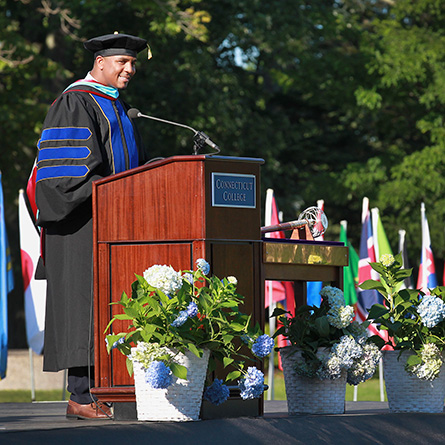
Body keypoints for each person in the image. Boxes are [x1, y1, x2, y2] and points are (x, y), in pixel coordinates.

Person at [34, 33, 150, 419]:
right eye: (122, 62)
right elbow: (64, 176)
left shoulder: (122, 110)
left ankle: (114, 389)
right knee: (84, 305)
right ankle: (80, 396)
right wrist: (110, 188)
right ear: (100, 63)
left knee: (113, 305)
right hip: (81, 222)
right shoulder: (76, 102)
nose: (130, 69)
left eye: (133, 63)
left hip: (117, 225)